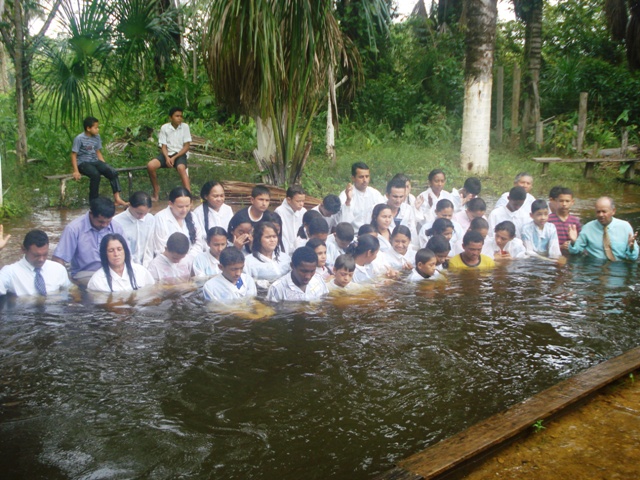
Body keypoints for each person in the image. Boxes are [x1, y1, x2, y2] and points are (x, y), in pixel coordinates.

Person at [53, 197, 124, 285]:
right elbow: (58, 259)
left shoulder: (117, 227)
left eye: (108, 222)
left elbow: (125, 254)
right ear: (91, 214)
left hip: (113, 272)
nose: (105, 225)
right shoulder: (74, 229)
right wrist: (69, 284)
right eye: (101, 222)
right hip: (86, 274)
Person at [71, 116, 127, 206]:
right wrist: (76, 171)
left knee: (112, 172)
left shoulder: (97, 137)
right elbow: (74, 155)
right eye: (96, 127)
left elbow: (98, 152)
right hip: (83, 163)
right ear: (88, 128)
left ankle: (117, 199)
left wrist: (105, 165)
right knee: (95, 175)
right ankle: (94, 202)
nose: (98, 129)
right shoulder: (79, 138)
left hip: (95, 161)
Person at [0, 230, 71, 297]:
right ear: (23, 249)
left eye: (45, 254)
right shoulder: (10, 273)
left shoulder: (58, 269)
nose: (41, 259)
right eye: (36, 255)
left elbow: (70, 290)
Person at [145, 186, 205, 264]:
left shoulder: (193, 216)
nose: (184, 210)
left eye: (187, 206)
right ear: (170, 204)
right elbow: (161, 247)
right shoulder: (161, 218)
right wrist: (178, 258)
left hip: (191, 261)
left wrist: (188, 259)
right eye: (180, 207)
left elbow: (198, 243)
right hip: (167, 263)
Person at [568, 197, 639, 261]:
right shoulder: (588, 228)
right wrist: (573, 241)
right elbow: (575, 251)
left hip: (619, 268)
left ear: (613, 211)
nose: (601, 215)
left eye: (604, 211)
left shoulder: (625, 227)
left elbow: (633, 257)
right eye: (598, 212)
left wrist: (631, 248)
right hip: (595, 267)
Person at [147, 107, 192, 200]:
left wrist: (174, 158)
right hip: (166, 154)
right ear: (171, 118)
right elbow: (163, 146)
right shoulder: (165, 128)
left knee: (181, 168)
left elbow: (187, 146)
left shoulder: (185, 127)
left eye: (181, 116)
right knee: (150, 166)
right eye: (177, 116)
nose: (179, 118)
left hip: (180, 154)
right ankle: (156, 190)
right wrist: (167, 158)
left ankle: (188, 195)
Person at [87, 234, 155, 292]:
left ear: (125, 251)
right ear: (104, 254)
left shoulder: (141, 271)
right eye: (111, 251)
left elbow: (152, 293)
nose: (116, 254)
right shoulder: (97, 280)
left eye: (119, 249)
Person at [339, 162, 385, 230]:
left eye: (367, 176)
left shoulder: (375, 194)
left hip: (372, 234)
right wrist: (348, 202)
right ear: (353, 178)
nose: (365, 180)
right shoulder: (345, 195)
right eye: (361, 177)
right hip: (352, 235)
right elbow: (343, 222)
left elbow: (384, 212)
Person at [112, 191, 155, 265]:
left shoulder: (150, 219)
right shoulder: (116, 222)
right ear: (130, 205)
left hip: (146, 264)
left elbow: (150, 245)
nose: (142, 217)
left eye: (145, 213)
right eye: (139, 213)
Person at [244, 222, 292, 286]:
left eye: (274, 236)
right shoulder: (248, 261)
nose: (272, 240)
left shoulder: (285, 258)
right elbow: (241, 283)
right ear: (258, 239)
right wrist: (256, 283)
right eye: (268, 237)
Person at [385, 177, 420, 248]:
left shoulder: (408, 209)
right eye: (395, 196)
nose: (398, 200)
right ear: (387, 195)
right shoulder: (377, 209)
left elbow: (412, 232)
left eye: (401, 197)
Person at [548, 187, 582, 253]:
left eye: (567, 201)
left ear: (572, 202)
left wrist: (573, 242)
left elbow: (581, 244)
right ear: (556, 201)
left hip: (571, 255)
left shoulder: (575, 221)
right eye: (561, 201)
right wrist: (560, 246)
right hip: (554, 256)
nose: (564, 204)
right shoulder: (549, 220)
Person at [275, 185, 307, 253]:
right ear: (289, 200)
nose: (301, 204)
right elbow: (283, 235)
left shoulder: (303, 211)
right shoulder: (280, 211)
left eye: (303, 201)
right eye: (298, 201)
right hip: (284, 250)